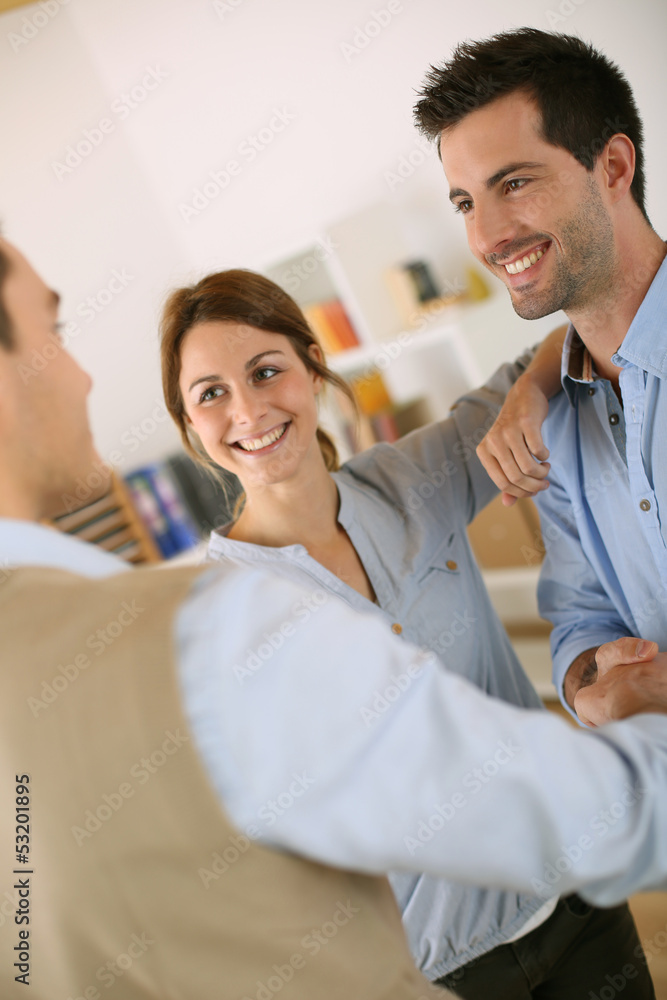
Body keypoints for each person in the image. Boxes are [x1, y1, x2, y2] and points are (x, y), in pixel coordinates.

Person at [160, 266, 654, 998]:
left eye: (266, 371)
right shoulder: (214, 619)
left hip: (578, 905)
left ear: (313, 369)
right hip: (437, 974)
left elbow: (564, 341)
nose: (248, 410)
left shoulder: (411, 481)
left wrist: (526, 396)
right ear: (189, 428)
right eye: (211, 394)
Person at [413, 27, 667, 732]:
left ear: (612, 167)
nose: (487, 237)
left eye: (515, 184)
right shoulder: (553, 417)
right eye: (466, 203)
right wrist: (592, 690)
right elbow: (581, 620)